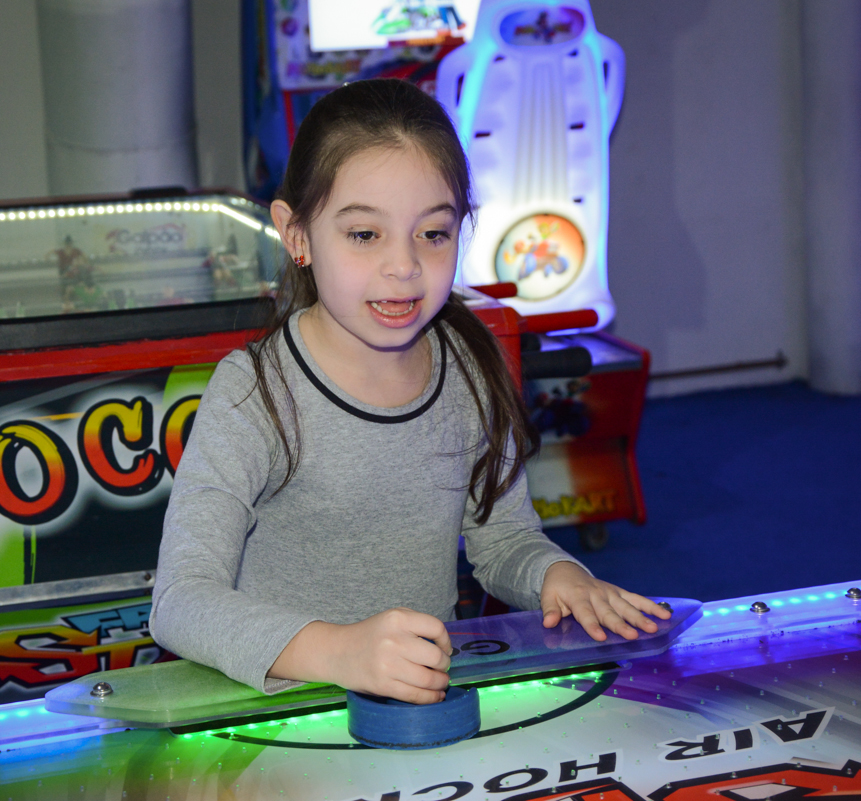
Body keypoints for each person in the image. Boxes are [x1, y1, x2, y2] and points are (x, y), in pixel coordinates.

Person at [150, 78, 669, 705]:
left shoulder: (471, 366)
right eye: (365, 234)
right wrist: (340, 652)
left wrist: (559, 575)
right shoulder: (254, 392)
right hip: (283, 718)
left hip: (426, 709)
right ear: (297, 235)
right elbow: (180, 600)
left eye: (434, 233)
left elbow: (502, 539)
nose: (404, 266)